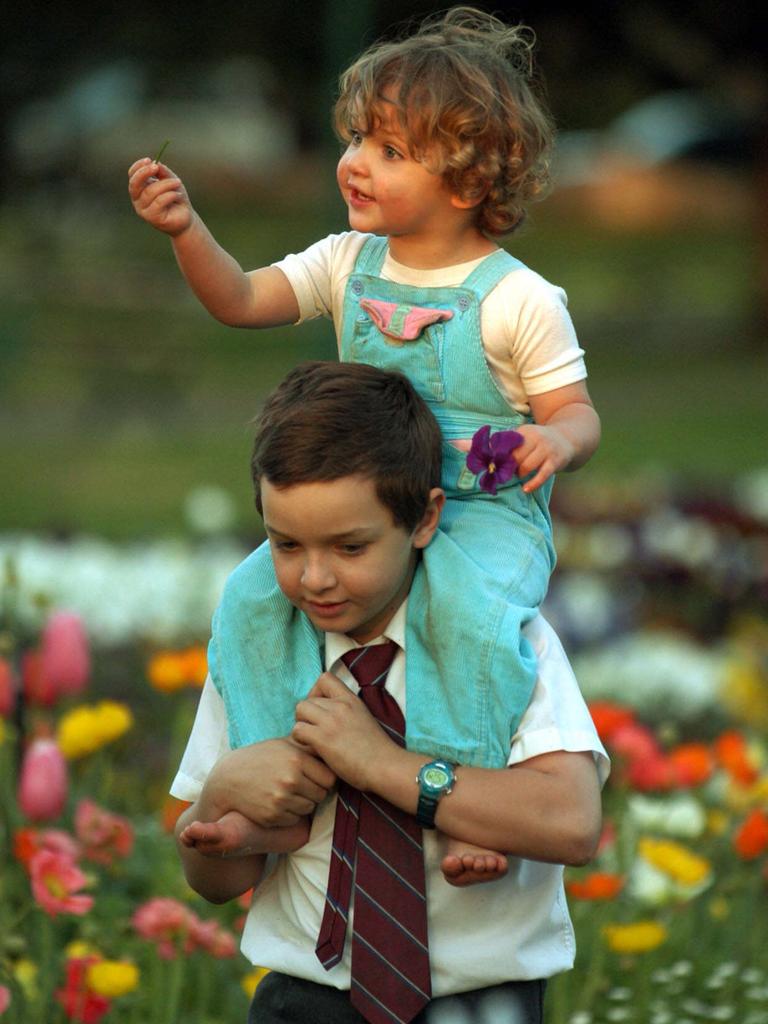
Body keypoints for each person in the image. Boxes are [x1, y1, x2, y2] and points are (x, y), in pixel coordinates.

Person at [128, 7, 601, 784]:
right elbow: (242, 301)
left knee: (464, 616)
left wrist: (555, 441)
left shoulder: (520, 299)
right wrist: (186, 230)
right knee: (250, 597)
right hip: (365, 503)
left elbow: (576, 414)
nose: (353, 162)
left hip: (483, 513)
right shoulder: (348, 262)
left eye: (389, 150)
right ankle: (266, 769)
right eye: (355, 140)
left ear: (470, 178)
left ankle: (462, 785)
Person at [171, 360, 608, 1024]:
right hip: (304, 999)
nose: (314, 577)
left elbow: (571, 822)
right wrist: (223, 790)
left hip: (477, 1001)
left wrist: (380, 764)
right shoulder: (258, 645)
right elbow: (215, 880)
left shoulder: (500, 639)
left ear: (425, 519)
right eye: (285, 544)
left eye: (350, 548)